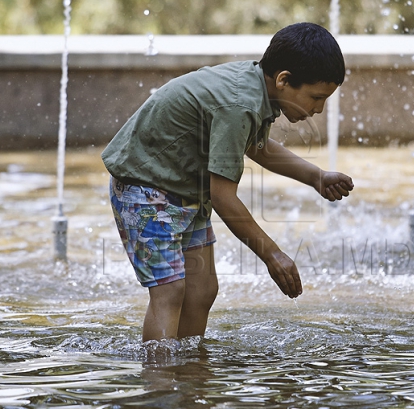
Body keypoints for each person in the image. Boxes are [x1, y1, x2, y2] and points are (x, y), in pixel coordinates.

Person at [101, 22, 354, 342]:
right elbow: (223, 196)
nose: (318, 109)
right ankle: (161, 384)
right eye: (316, 98)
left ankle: (189, 374)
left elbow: (255, 146)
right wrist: (272, 254)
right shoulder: (240, 102)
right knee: (170, 291)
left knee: (202, 289)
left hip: (184, 189)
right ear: (284, 80)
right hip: (145, 187)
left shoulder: (258, 90)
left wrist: (316, 177)